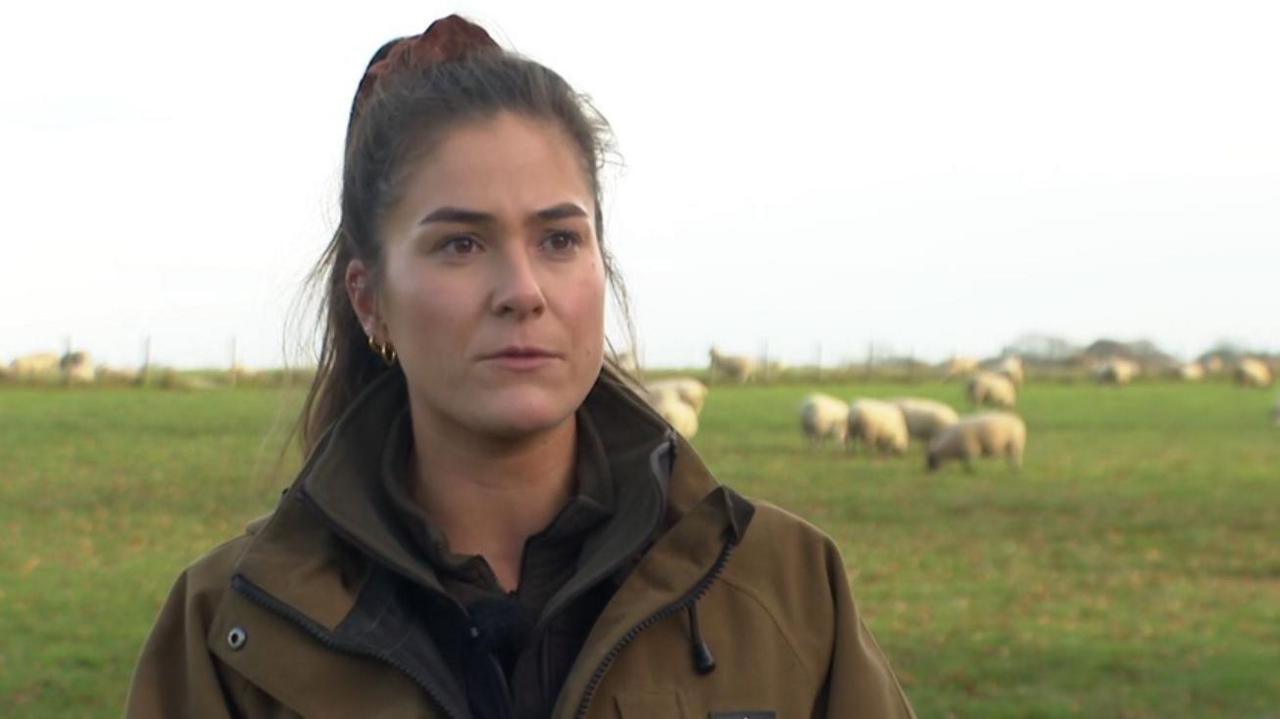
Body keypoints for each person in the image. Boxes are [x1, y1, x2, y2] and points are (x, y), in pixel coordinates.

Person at [125, 15, 916, 719]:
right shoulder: (231, 630)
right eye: (461, 244)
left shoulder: (786, 587)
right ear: (370, 299)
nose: (523, 291)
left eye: (559, 240)